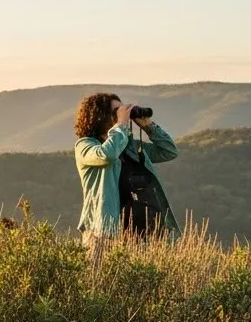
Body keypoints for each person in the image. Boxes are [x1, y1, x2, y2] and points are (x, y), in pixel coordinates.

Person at [73, 93, 180, 263]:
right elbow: (107, 154)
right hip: (104, 233)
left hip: (139, 234)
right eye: (116, 110)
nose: (123, 113)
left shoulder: (130, 147)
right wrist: (121, 124)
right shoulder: (86, 146)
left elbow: (168, 151)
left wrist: (148, 126)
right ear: (100, 116)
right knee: (99, 284)